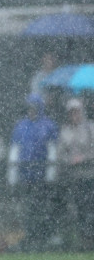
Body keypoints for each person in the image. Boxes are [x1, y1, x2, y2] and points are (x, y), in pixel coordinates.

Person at [8, 94, 59, 251]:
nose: (32, 111)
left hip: (42, 175)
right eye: (29, 108)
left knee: (43, 208)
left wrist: (51, 172)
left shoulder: (48, 125)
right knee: (28, 208)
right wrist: (12, 174)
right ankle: (30, 236)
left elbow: (52, 150)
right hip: (25, 175)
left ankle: (43, 237)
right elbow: (15, 150)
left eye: (34, 108)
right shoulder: (21, 126)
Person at [57, 98, 94, 251]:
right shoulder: (65, 131)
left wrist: (83, 158)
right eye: (71, 112)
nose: (75, 115)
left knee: (90, 209)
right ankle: (83, 241)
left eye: (77, 112)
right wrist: (69, 160)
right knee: (78, 210)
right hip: (74, 178)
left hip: (90, 176)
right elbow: (60, 153)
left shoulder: (90, 128)